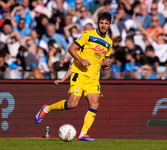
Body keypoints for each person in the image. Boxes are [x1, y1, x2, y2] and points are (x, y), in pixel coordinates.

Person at [35, 12, 113, 141]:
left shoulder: (109, 42)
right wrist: (81, 60)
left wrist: (106, 63)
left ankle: (83, 134)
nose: (103, 26)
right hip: (80, 74)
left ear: (109, 24)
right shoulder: (88, 34)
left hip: (93, 78)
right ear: (98, 23)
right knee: (72, 104)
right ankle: (47, 108)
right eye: (101, 23)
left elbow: (100, 61)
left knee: (94, 104)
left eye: (106, 23)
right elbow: (71, 49)